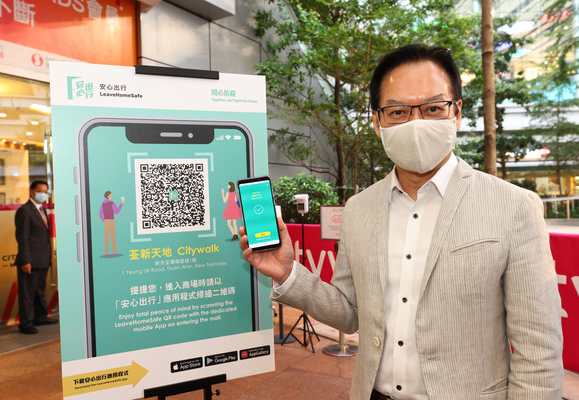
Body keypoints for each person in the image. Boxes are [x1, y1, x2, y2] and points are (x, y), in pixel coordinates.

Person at [240, 45, 563, 400]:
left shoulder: (514, 207)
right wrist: (288, 273)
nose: (416, 123)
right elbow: (350, 312)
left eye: (433, 108)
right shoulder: (359, 209)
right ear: (377, 122)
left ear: (456, 113)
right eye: (397, 111)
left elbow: (538, 351)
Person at [14, 180, 57, 334]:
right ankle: (26, 323)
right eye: (40, 191)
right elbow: (23, 237)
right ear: (32, 191)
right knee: (27, 294)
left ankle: (40, 317)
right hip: (30, 260)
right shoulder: (25, 210)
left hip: (42, 259)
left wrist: (48, 257)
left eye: (46, 191)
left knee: (39, 291)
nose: (43, 194)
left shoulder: (42, 209)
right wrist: (26, 260)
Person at [99, 190, 124, 257]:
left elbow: (100, 214)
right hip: (111, 221)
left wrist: (104, 220)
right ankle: (114, 253)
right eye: (110, 195)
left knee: (106, 237)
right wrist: (121, 204)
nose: (111, 196)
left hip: (106, 221)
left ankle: (106, 253)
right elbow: (116, 212)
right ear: (108, 196)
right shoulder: (112, 203)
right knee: (113, 237)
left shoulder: (103, 204)